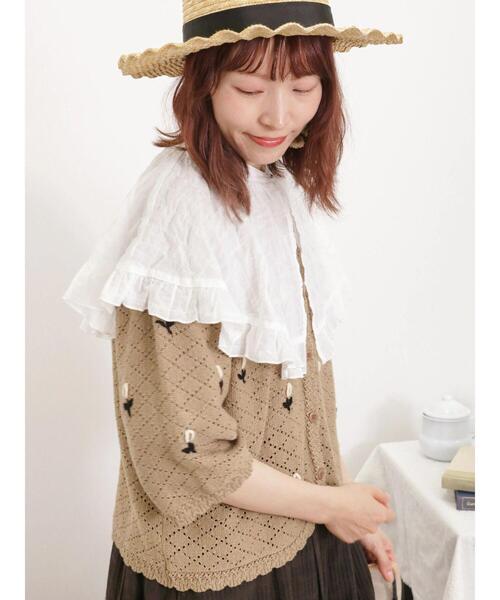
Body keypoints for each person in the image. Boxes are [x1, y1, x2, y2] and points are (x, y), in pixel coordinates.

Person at [63, 1, 404, 598]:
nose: (279, 115)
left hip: (310, 530)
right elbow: (187, 447)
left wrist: (348, 512)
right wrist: (332, 505)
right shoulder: (181, 211)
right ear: (205, 85)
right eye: (250, 88)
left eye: (303, 87)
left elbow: (301, 390)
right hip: (221, 564)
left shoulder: (274, 183)